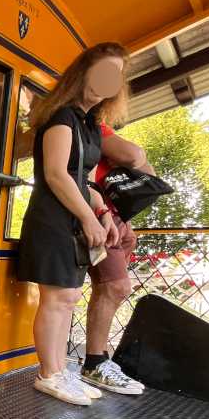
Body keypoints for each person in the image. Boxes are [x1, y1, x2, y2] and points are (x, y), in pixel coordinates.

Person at [16, 42, 131, 406]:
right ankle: (48, 374)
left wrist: (102, 213)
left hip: (74, 217)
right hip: (53, 218)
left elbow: (84, 180)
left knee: (68, 298)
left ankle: (58, 371)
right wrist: (86, 215)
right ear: (82, 73)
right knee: (58, 298)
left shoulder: (91, 125)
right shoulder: (62, 116)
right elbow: (55, 173)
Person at [80, 125, 155, 394]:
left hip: (110, 214)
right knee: (115, 286)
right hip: (97, 214)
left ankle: (97, 358)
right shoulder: (94, 128)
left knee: (110, 287)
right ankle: (94, 362)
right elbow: (133, 156)